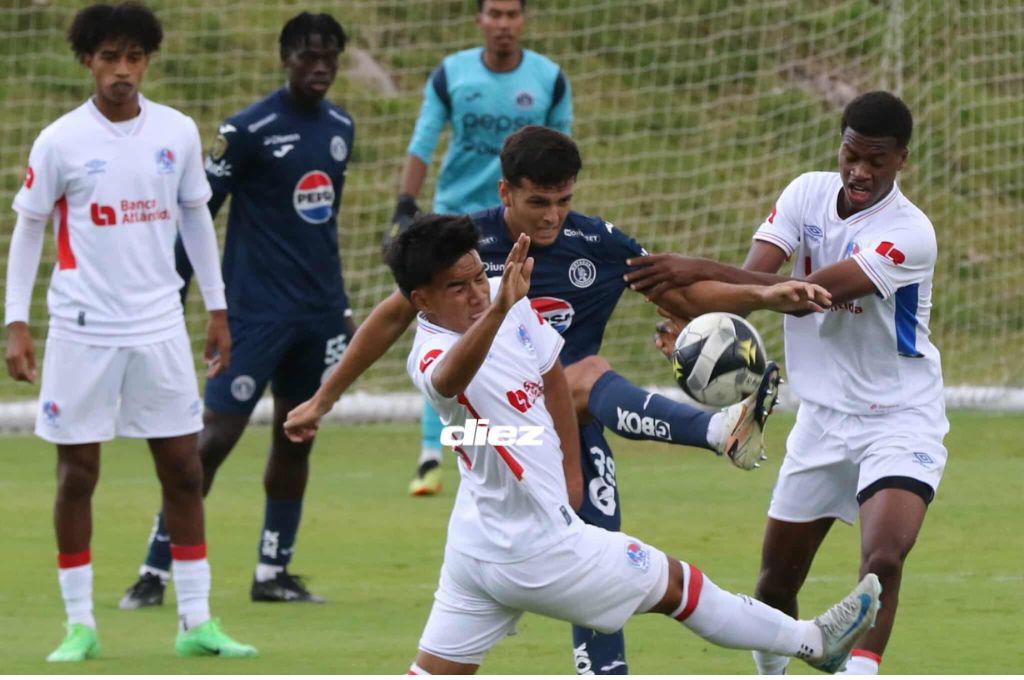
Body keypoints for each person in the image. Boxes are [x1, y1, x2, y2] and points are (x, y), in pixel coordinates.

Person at [285, 126, 832, 674]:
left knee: (597, 569)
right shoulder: (465, 257)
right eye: (538, 202)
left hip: (559, 444)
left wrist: (762, 295)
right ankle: (720, 440)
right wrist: (324, 398)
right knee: (652, 575)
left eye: (564, 201)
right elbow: (410, 337)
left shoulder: (585, 249)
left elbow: (671, 299)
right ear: (506, 194)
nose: (552, 216)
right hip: (518, 460)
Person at [383, 215, 880, 674]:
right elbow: (449, 381)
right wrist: (498, 310)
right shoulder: (433, 351)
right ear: (422, 300)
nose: (475, 293)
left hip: (478, 539)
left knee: (433, 673)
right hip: (531, 547)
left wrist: (571, 474)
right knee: (678, 586)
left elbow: (552, 372)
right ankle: (813, 640)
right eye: (457, 287)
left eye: (477, 278)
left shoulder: (501, 295)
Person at [625, 91, 945, 676]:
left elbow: (805, 299)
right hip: (821, 420)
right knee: (775, 582)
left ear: (902, 159)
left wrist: (694, 268)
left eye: (876, 160)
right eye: (852, 154)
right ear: (840, 142)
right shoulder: (806, 194)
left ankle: (861, 669)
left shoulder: (910, 234)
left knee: (883, 559)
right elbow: (755, 285)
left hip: (900, 417)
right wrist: (695, 322)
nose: (860, 171)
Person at [3, 2, 256, 661]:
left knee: (182, 466)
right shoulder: (60, 141)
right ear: (87, 60)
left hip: (160, 327)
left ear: (148, 62)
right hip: (82, 329)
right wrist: (17, 323)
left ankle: (196, 621)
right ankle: (80, 625)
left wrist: (219, 309)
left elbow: (198, 219)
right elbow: (30, 228)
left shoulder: (175, 131)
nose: (122, 70)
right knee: (77, 472)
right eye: (110, 57)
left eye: (134, 58)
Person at [118, 12, 355, 608]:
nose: (319, 66)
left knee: (296, 436)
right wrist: (172, 296)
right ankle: (154, 571)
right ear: (284, 57)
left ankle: (272, 572)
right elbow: (200, 215)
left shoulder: (341, 128)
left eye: (329, 55)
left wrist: (342, 307)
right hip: (254, 315)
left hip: (319, 314)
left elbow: (323, 227)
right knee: (214, 438)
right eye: (307, 55)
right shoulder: (247, 131)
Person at [391, 0, 573, 498]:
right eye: (494, 13)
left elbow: (559, 154)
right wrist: (406, 205)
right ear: (480, 20)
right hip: (455, 225)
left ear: (524, 20)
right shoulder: (452, 74)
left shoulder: (549, 79)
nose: (503, 24)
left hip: (515, 226)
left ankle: (532, 444)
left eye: (512, 14)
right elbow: (423, 139)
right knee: (438, 329)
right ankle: (433, 452)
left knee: (525, 331)